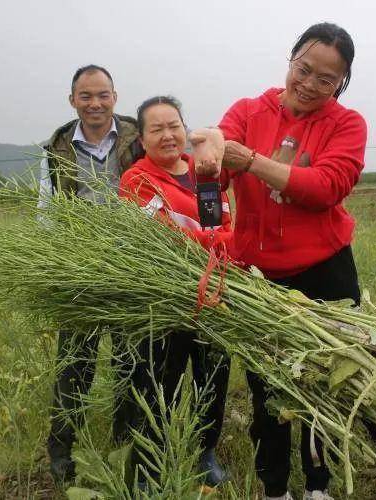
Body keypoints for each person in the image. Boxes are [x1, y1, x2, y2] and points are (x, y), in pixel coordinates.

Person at [194, 22, 366, 500]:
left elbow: (327, 187)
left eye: (326, 80)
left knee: (326, 384)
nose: (309, 85)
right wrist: (208, 160)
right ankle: (274, 488)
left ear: (342, 83)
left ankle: (318, 487)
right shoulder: (248, 111)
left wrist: (250, 160)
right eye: (304, 69)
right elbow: (215, 162)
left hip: (325, 273)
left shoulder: (346, 125)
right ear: (290, 60)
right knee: (267, 387)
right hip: (259, 277)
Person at [118, 96, 232, 487]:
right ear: (143, 137)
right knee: (156, 384)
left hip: (214, 296)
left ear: (185, 128)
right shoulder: (137, 179)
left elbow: (227, 223)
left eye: (174, 126)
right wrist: (215, 243)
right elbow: (163, 239)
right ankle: (149, 466)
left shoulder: (205, 171)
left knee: (212, 378)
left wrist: (218, 242)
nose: (168, 135)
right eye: (157, 128)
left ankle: (205, 452)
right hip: (164, 301)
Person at [39, 64, 143, 483]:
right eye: (86, 96)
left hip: (133, 269)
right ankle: (61, 453)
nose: (95, 103)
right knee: (74, 364)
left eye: (102, 95)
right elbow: (47, 209)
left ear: (115, 97)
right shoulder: (57, 146)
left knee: (128, 363)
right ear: (73, 101)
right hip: (79, 268)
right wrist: (53, 263)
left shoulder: (139, 138)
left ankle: (126, 448)